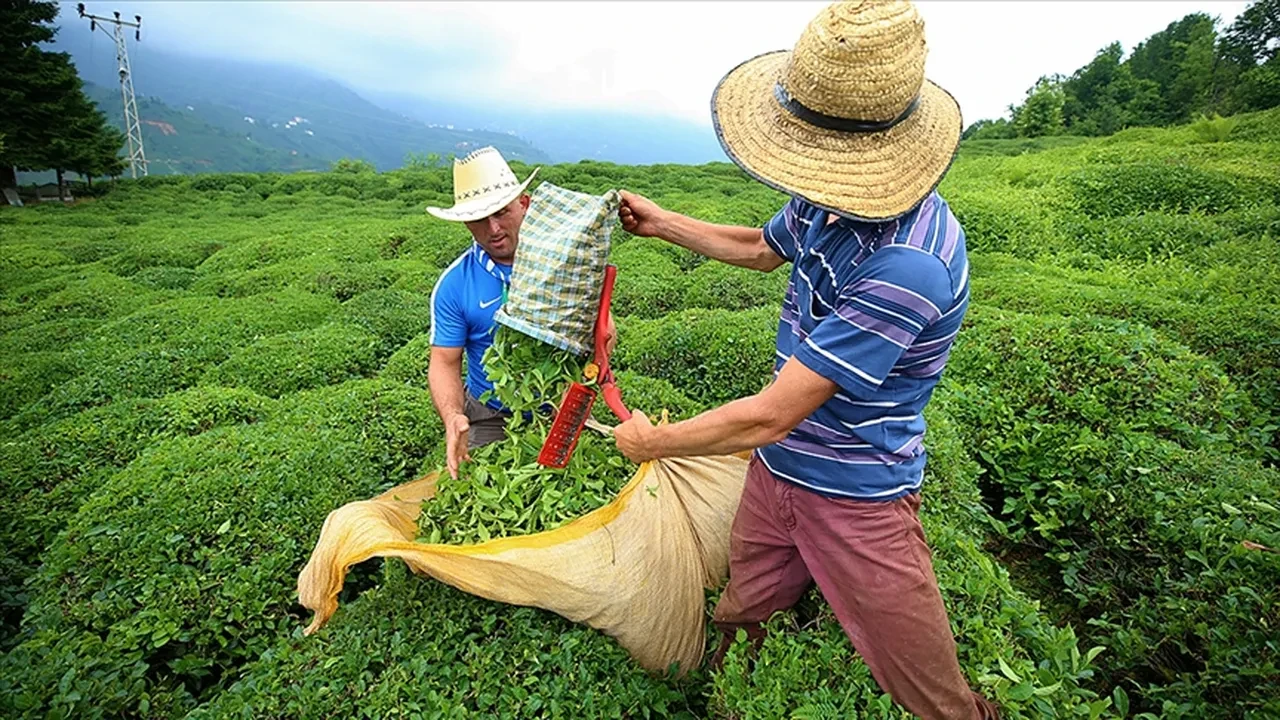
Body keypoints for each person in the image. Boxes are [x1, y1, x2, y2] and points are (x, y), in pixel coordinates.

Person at [613, 2, 1000, 718]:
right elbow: (762, 249)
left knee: (924, 682)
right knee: (747, 601)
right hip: (779, 467)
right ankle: (734, 696)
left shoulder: (909, 264)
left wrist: (654, 443)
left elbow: (772, 412)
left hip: (857, 490)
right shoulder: (829, 201)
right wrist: (663, 223)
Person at [426, 146, 539, 480]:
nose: (493, 229)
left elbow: (602, 330)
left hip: (563, 406)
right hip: (491, 414)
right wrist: (453, 417)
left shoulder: (562, 264)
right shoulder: (454, 285)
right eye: (478, 220)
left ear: (524, 204)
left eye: (502, 213)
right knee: (474, 490)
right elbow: (445, 362)